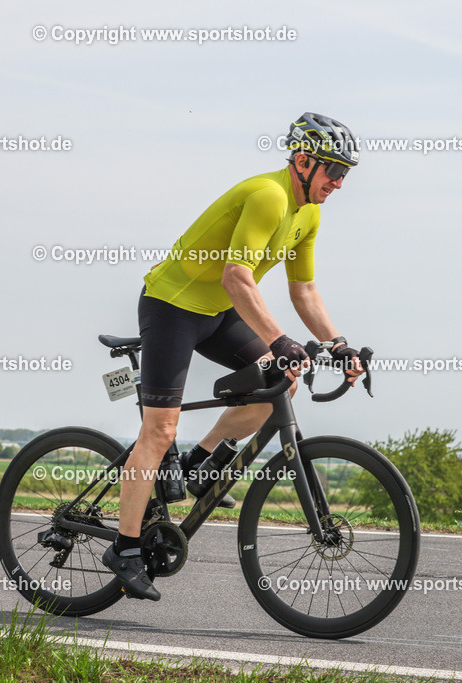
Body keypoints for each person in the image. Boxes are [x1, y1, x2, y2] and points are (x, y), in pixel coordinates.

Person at [102, 112, 364, 601]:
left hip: (220, 312)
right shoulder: (270, 196)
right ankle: (125, 547)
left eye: (345, 174)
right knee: (159, 430)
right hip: (173, 307)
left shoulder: (309, 212)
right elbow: (236, 277)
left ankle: (198, 465)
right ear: (304, 162)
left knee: (277, 385)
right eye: (334, 171)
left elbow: (304, 289)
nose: (339, 183)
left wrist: (337, 342)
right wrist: (280, 339)